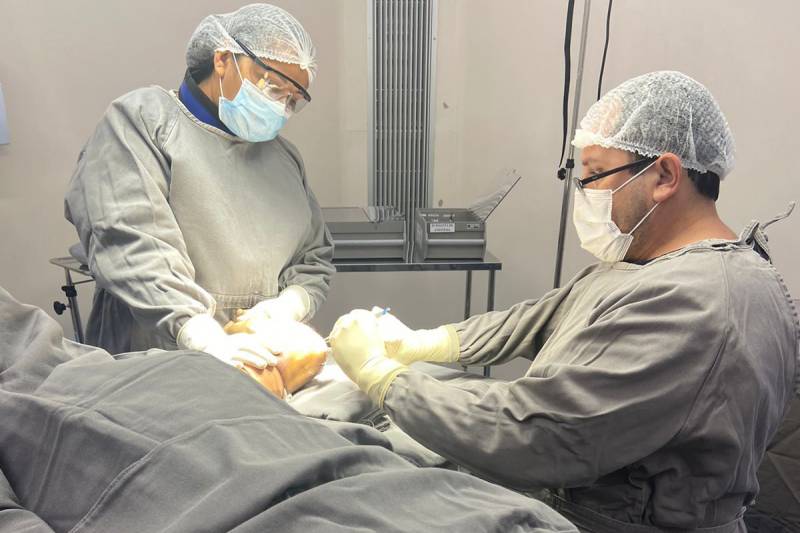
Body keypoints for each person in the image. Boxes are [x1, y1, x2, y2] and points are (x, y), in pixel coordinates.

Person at [328, 71, 799, 532]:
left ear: (664, 175)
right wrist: (428, 341)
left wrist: (384, 379)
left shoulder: (700, 302)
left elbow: (535, 435)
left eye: (594, 174)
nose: (584, 194)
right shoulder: (647, 266)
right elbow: (538, 319)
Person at [0, 286, 579, 533]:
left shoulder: (297, 410)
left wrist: (399, 361)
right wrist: (199, 335)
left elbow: (364, 467)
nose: (278, 335)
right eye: (264, 335)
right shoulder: (67, 387)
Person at [64, 3, 333, 371]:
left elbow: (313, 256)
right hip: (155, 356)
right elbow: (130, 241)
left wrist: (290, 304)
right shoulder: (143, 122)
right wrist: (199, 334)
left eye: (291, 100)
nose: (280, 107)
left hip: (257, 359)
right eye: (272, 85)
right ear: (223, 60)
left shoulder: (283, 158)